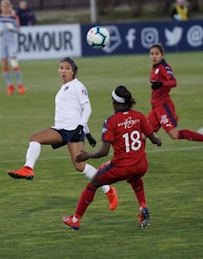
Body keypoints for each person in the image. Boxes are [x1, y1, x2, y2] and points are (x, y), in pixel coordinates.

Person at [7, 57, 119, 211]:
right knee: (35, 138)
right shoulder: (63, 88)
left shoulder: (78, 86)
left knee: (79, 166)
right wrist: (88, 133)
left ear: (73, 71)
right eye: (61, 68)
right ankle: (28, 168)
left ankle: (109, 190)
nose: (63, 71)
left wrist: (81, 129)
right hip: (60, 129)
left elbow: (87, 109)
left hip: (73, 131)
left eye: (67, 68)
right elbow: (74, 111)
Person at [62, 85, 162, 230]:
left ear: (114, 102)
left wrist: (87, 155)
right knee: (135, 176)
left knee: (93, 183)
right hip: (141, 165)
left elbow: (104, 151)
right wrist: (158, 141)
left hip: (121, 167)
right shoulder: (139, 116)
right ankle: (143, 207)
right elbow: (154, 139)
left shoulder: (111, 121)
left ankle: (75, 220)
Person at [146, 43, 203, 151]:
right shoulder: (155, 68)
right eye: (152, 54)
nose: (154, 56)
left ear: (162, 55)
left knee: (174, 134)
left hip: (163, 105)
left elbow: (173, 82)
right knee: (144, 133)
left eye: (157, 54)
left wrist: (161, 84)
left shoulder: (163, 67)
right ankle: (137, 162)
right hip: (156, 106)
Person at [0, 0, 25, 96]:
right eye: (2, 6)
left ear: (9, 7)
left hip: (11, 43)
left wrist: (13, 29)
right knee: (4, 64)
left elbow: (19, 30)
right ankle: (10, 86)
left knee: (14, 63)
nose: (4, 8)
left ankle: (20, 85)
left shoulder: (14, 18)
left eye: (6, 6)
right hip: (1, 43)